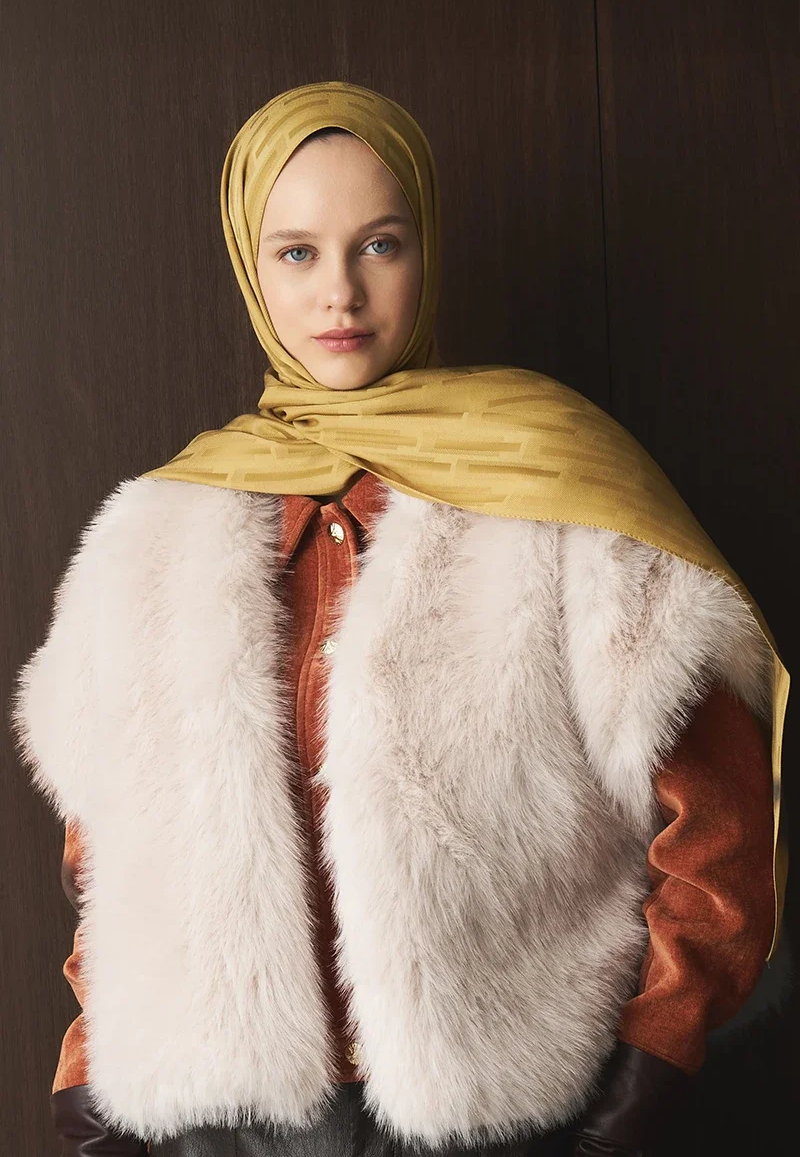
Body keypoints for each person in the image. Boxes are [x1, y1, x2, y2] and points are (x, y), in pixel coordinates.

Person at [9, 82, 787, 1157]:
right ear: (249, 267)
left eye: (378, 244)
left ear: (424, 250)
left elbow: (721, 827)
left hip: (508, 1115)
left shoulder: (563, 499)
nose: (340, 292)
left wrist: (656, 1048)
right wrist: (90, 1066)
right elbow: (108, 857)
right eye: (296, 252)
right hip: (222, 1123)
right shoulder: (153, 534)